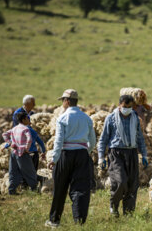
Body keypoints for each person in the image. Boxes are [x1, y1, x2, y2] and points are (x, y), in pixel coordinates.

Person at [45, 89, 96, 228]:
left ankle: (54, 220)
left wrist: (54, 159)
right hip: (82, 154)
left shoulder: (62, 118)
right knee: (80, 188)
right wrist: (87, 151)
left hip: (66, 154)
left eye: (62, 100)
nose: (62, 103)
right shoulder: (86, 118)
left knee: (60, 188)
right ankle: (79, 221)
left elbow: (59, 141)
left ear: (67, 101)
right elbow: (93, 140)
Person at [98, 95, 148, 217]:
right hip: (116, 153)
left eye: (130, 107)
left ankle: (129, 213)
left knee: (132, 184)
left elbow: (139, 137)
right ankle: (113, 205)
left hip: (131, 152)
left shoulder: (135, 118)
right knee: (120, 181)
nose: (127, 109)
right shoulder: (111, 118)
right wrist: (100, 157)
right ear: (120, 105)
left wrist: (144, 155)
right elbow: (104, 138)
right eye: (125, 107)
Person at [2, 112, 37, 195]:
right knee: (30, 171)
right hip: (22, 153)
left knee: (13, 172)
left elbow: (4, 134)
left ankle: (12, 190)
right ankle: (34, 189)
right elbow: (29, 140)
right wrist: (26, 149)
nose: (29, 120)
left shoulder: (14, 128)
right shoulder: (25, 129)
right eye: (28, 118)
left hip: (14, 153)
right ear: (24, 119)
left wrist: (10, 143)